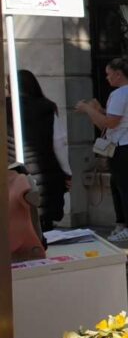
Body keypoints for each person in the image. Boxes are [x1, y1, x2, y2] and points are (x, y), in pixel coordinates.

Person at [75, 57, 128, 242]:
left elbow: (109, 123)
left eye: (109, 75)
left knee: (124, 186)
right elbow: (116, 120)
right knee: (118, 185)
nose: (107, 78)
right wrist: (98, 110)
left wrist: (87, 109)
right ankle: (122, 224)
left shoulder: (121, 93)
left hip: (124, 145)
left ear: (118, 74)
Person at [6, 70, 71, 232]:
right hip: (46, 172)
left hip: (13, 173)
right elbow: (59, 142)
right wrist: (67, 172)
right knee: (45, 228)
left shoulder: (4, 108)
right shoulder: (46, 107)